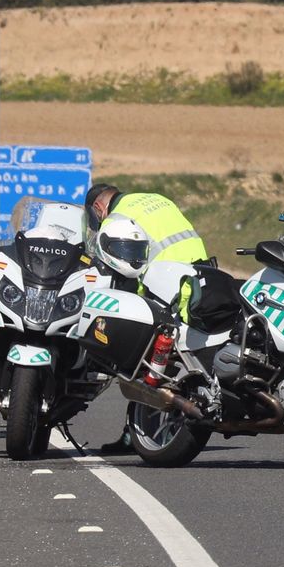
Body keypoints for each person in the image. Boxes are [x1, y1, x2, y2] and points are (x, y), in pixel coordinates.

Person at [85, 183, 209, 453]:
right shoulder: (155, 198)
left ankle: (135, 434)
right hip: (202, 279)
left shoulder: (116, 221)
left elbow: (118, 272)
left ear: (98, 208)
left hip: (168, 287)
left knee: (136, 356)